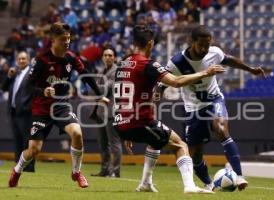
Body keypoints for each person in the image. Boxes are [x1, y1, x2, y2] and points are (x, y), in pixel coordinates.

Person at [113, 25, 225, 194]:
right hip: (139, 122)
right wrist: (205, 73)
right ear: (150, 43)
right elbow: (176, 82)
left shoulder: (122, 64)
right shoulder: (147, 64)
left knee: (156, 140)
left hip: (120, 122)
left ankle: (145, 183)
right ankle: (190, 186)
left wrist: (127, 126)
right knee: (180, 145)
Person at [164, 25, 266, 191]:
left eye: (207, 45)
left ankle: (239, 176)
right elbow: (163, 82)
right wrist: (155, 96)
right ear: (192, 42)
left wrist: (250, 69)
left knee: (221, 128)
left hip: (214, 100)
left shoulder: (214, 52)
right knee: (195, 154)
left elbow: (229, 59)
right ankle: (208, 183)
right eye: (201, 45)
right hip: (193, 108)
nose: (204, 49)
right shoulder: (177, 62)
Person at [8, 22, 108, 188]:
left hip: (62, 106)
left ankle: (76, 172)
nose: (67, 41)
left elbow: (86, 75)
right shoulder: (41, 60)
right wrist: (43, 91)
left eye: (68, 38)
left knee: (77, 133)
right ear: (53, 40)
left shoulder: (71, 58)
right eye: (63, 39)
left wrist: (99, 95)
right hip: (42, 109)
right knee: (34, 150)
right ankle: (17, 170)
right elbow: (29, 86)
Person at [90, 45, 122, 178]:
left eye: (110, 55)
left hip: (110, 112)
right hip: (100, 112)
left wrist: (95, 88)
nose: (108, 57)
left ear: (114, 58)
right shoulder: (102, 71)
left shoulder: (116, 71)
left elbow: (104, 90)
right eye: (105, 55)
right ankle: (105, 170)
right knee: (103, 144)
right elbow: (95, 91)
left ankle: (115, 171)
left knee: (114, 143)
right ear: (102, 57)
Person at [1, 51, 35, 172]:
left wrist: (29, 107)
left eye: (24, 59)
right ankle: (17, 168)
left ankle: (29, 168)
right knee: (17, 140)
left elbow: (36, 92)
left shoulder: (32, 74)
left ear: (28, 60)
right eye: (19, 59)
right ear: (16, 60)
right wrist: (9, 76)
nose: (21, 61)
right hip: (14, 112)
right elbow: (3, 88)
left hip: (26, 113)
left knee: (27, 141)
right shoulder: (15, 73)